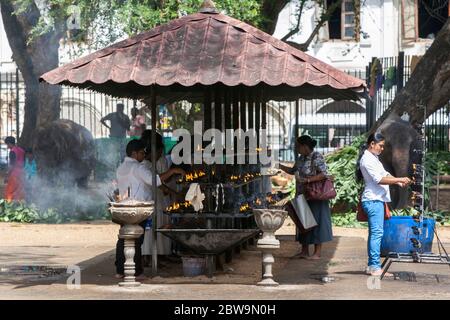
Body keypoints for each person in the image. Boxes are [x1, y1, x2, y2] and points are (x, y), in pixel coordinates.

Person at [114, 139, 184, 278]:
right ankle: (137, 271)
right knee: (137, 240)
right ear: (134, 153)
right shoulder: (138, 168)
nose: (143, 156)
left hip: (124, 207)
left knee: (124, 238)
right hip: (138, 208)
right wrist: (173, 171)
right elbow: (155, 180)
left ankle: (120, 270)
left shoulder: (121, 167)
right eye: (141, 153)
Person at [356, 132, 411, 277]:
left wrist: (398, 181)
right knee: (377, 234)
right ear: (372, 144)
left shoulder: (374, 158)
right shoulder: (367, 160)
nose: (382, 149)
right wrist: (399, 178)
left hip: (376, 199)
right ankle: (374, 267)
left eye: (383, 146)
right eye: (380, 146)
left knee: (375, 233)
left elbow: (384, 173)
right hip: (373, 200)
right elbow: (379, 179)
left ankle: (372, 265)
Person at [280, 135, 333, 260]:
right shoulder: (301, 158)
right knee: (303, 222)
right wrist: (279, 166)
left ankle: (317, 253)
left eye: (298, 146)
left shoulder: (316, 156)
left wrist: (308, 180)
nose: (296, 148)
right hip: (302, 194)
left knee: (316, 222)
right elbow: (293, 171)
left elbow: (324, 174)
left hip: (315, 195)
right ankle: (304, 251)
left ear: (304, 146)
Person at [140, 130, 181, 262]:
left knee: (154, 229)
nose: (160, 154)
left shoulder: (151, 164)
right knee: (149, 232)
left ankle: (156, 256)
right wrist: (173, 171)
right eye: (158, 151)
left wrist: (170, 191)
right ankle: (148, 258)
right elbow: (156, 181)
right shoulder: (144, 166)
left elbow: (159, 184)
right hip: (149, 201)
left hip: (156, 199)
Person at [4, 136, 25, 202]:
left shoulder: (12, 152)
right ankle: (20, 207)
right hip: (22, 173)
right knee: (19, 192)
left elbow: (12, 165)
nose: (7, 147)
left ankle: (9, 207)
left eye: (7, 144)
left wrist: (7, 175)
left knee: (9, 192)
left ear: (10, 143)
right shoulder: (21, 150)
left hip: (14, 174)